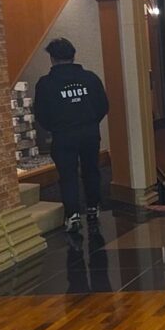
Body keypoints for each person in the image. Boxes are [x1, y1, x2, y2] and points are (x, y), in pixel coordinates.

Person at [33, 38, 109, 232]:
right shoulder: (90, 78)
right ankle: (93, 207)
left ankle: (73, 214)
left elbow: (41, 113)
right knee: (91, 170)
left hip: (63, 135)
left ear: (52, 58)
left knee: (67, 175)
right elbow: (102, 105)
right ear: (73, 56)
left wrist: (55, 127)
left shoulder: (45, 84)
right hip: (89, 132)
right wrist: (91, 122)